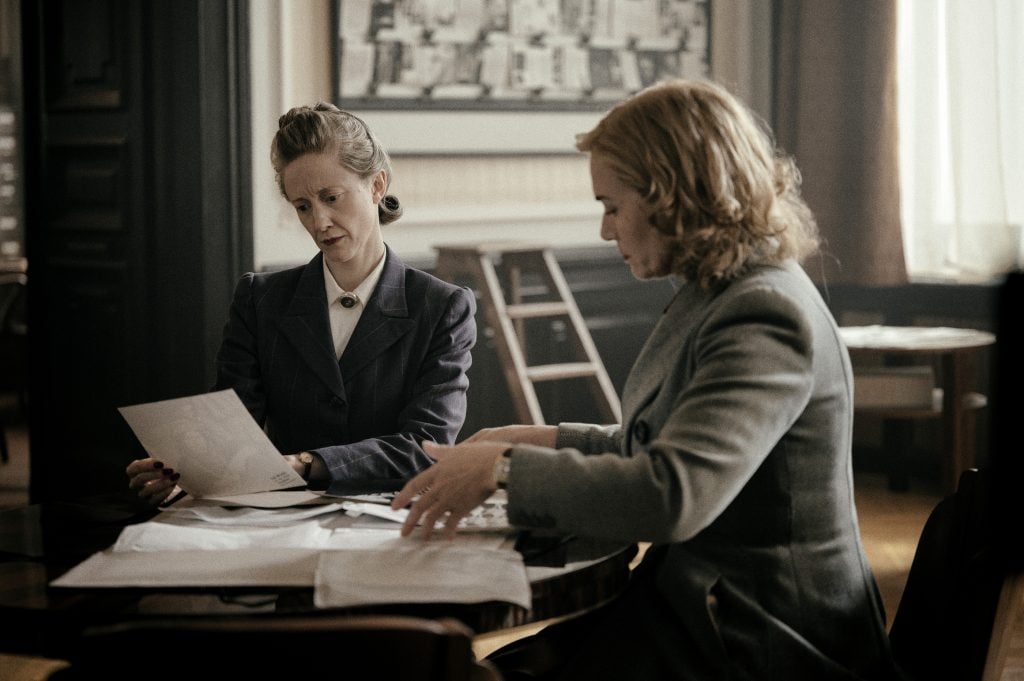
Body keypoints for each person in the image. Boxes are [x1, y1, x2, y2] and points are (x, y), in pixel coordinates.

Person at [392, 80, 901, 680]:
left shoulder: (763, 312)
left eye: (612, 206)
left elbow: (673, 495)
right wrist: (546, 438)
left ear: (674, 197)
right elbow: (663, 443)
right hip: (700, 610)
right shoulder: (722, 292)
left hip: (760, 640)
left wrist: (504, 469)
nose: (606, 231)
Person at [127, 102, 477, 505]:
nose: (319, 221)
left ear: (377, 186)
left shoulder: (442, 307)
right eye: (303, 206)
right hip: (276, 518)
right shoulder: (260, 299)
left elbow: (425, 447)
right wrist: (185, 470)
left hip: (392, 518)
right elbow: (231, 429)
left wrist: (308, 463)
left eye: (331, 197)